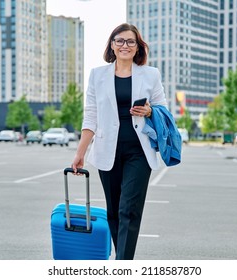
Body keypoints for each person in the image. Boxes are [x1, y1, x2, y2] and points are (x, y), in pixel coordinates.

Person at [71, 23, 169, 260]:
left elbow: (163, 109)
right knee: (114, 212)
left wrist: (149, 111)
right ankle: (123, 259)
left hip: (139, 151)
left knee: (129, 210)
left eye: (130, 41)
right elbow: (91, 115)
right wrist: (80, 152)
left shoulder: (151, 74)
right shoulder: (97, 75)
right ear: (112, 45)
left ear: (137, 48)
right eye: (120, 41)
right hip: (108, 150)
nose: (125, 45)